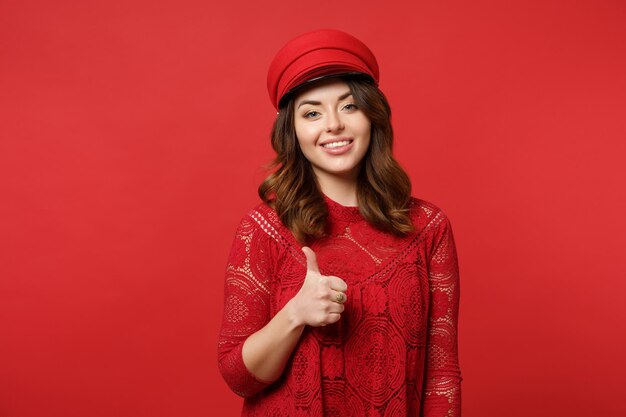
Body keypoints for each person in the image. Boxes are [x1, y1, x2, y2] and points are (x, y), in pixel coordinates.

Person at [217, 29, 462, 416]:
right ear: (293, 132)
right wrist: (296, 313)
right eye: (312, 112)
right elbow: (238, 376)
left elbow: (442, 376)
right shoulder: (264, 228)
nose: (333, 125)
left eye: (348, 106)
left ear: (373, 114)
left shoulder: (427, 227)